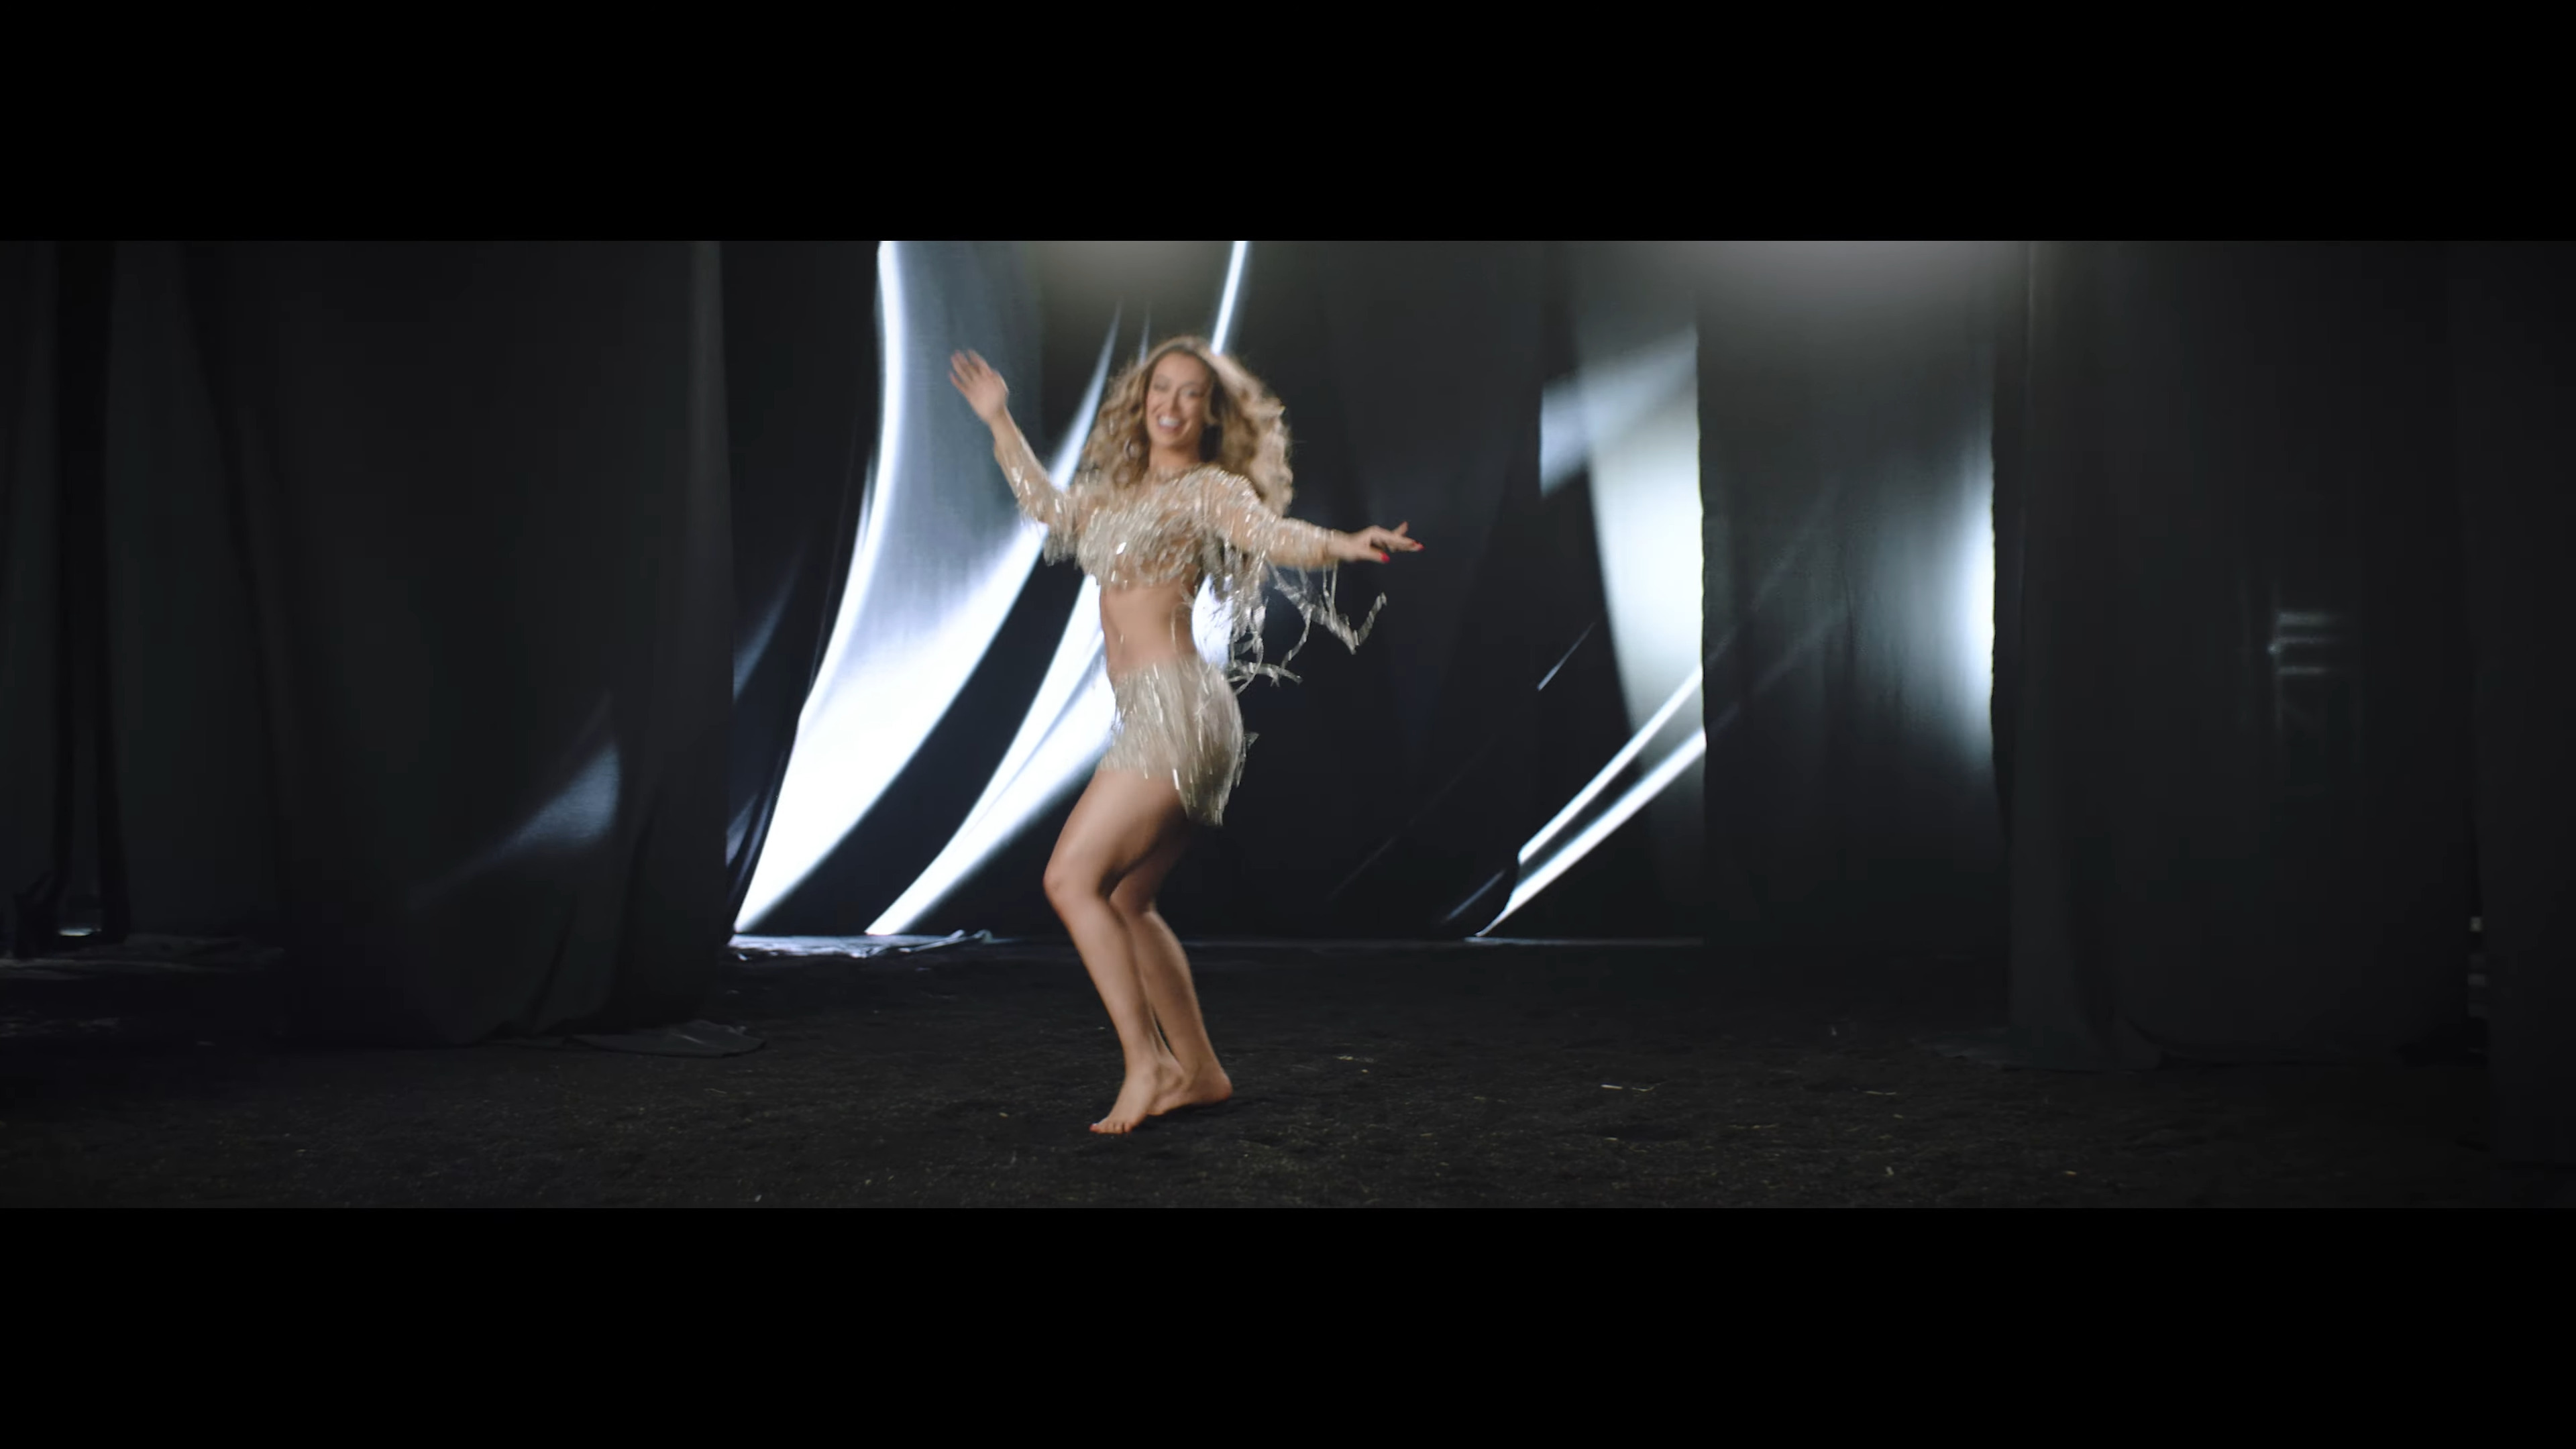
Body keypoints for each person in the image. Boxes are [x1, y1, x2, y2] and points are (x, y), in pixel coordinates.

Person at [950, 337, 1422, 1134]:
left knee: (1071, 881)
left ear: (1209, 413)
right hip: (1158, 712)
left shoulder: (1209, 490)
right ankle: (1201, 1074)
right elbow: (1047, 505)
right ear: (1142, 401)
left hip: (1178, 709)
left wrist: (1343, 544)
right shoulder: (1112, 495)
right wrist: (999, 420)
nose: (1171, 405)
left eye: (1191, 393)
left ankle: (1148, 1064)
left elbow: (1271, 535)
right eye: (1160, 389)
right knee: (1128, 899)